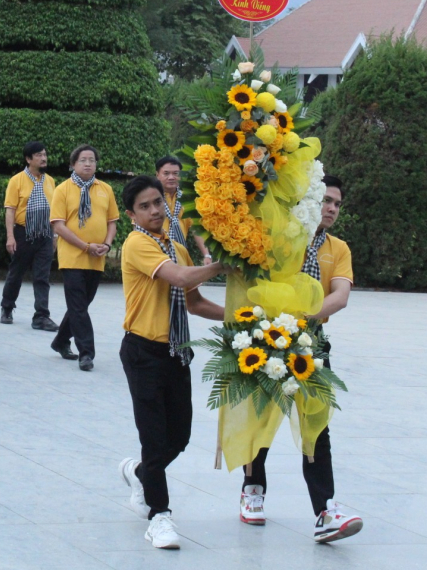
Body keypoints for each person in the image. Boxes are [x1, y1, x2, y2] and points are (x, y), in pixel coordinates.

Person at [238, 175, 363, 543]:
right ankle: (252, 490)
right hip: (268, 336)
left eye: (337, 204)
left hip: (311, 343)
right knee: (260, 417)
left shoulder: (338, 248)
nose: (331, 208)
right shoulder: (283, 235)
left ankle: (324, 509)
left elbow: (340, 296)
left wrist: (304, 321)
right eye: (326, 200)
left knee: (316, 425)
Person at [117, 175, 228, 550]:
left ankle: (138, 473)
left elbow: (194, 301)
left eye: (157, 204)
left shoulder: (176, 248)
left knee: (178, 438)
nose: (153, 211)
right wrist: (222, 266)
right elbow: (179, 277)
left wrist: (239, 317)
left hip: (176, 353)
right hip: (143, 352)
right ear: (131, 214)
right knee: (153, 437)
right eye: (144, 206)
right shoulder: (137, 244)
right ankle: (159, 516)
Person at [49, 145, 119, 371]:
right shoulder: (63, 189)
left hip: (96, 256)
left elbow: (112, 222)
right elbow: (58, 225)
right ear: (73, 164)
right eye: (82, 160)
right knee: (79, 306)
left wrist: (106, 245)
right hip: (72, 256)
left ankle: (60, 341)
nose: (88, 164)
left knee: (81, 304)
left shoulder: (105, 189)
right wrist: (84, 246)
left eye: (92, 160)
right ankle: (86, 353)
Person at [0, 141, 58, 331]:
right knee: (16, 273)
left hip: (45, 233)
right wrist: (10, 236)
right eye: (39, 155)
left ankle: (41, 316)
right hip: (23, 232)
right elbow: (10, 210)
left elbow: (55, 211)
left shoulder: (49, 181)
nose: (43, 158)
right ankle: (7, 307)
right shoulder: (16, 181)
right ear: (28, 159)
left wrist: (55, 236)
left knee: (43, 276)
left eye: (44, 154)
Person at [155, 155, 212, 265]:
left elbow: (196, 229)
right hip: (156, 254)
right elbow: (138, 227)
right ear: (157, 175)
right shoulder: (150, 197)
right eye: (166, 173)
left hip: (179, 255)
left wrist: (206, 254)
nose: (171, 177)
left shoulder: (187, 199)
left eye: (175, 174)